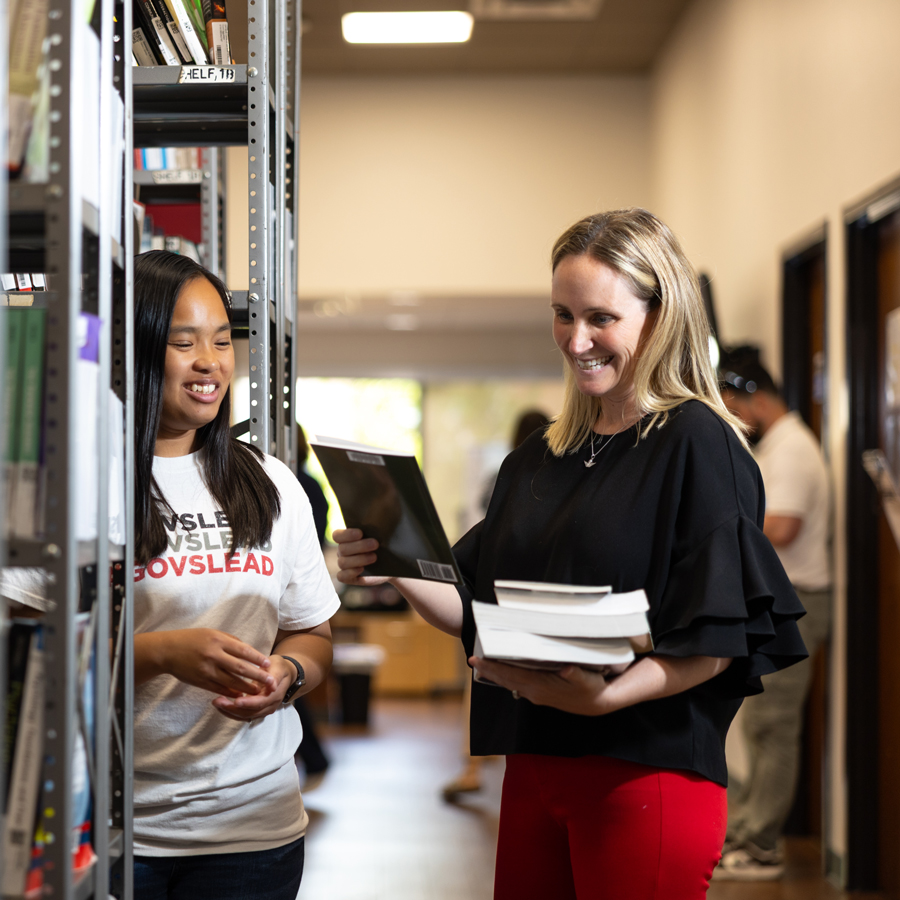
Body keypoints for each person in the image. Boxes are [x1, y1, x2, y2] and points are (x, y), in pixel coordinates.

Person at [334, 208, 808, 900]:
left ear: (660, 315)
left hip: (645, 774)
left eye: (601, 318)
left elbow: (716, 638)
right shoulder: (538, 459)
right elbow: (471, 604)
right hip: (535, 766)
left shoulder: (698, 444)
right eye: (562, 314)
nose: (576, 339)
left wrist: (604, 700)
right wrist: (394, 558)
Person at [130, 251, 340, 900]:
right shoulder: (84, 482)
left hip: (254, 831)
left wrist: (289, 675)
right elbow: (27, 653)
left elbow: (313, 636)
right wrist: (158, 652)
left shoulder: (271, 483)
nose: (210, 362)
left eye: (222, 341)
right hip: (119, 824)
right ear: (134, 348)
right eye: (183, 342)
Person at [716, 353, 832, 881]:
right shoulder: (780, 445)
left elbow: (781, 528)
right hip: (782, 601)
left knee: (775, 726)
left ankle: (764, 845)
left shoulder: (792, 450)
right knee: (762, 723)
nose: (737, 418)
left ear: (757, 398)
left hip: (799, 604)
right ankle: (748, 831)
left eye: (737, 406)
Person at [442, 408, 550, 801]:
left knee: (484, 674)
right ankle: (483, 767)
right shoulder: (517, 476)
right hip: (528, 593)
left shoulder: (501, 476)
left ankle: (473, 768)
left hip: (497, 589)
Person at [292, 423, 332, 791]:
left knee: (289, 680)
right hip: (313, 581)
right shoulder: (315, 487)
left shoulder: (292, 487)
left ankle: (317, 756)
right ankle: (317, 757)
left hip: (299, 587)